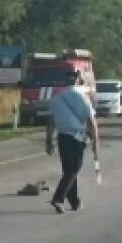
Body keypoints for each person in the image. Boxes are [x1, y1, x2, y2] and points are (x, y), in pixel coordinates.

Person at [45, 70, 99, 214]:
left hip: (62, 137)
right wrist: (95, 141)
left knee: (69, 170)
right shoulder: (82, 97)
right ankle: (58, 198)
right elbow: (91, 122)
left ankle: (74, 202)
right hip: (76, 138)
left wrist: (48, 140)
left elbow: (50, 122)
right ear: (77, 80)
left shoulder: (56, 98)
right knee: (73, 169)